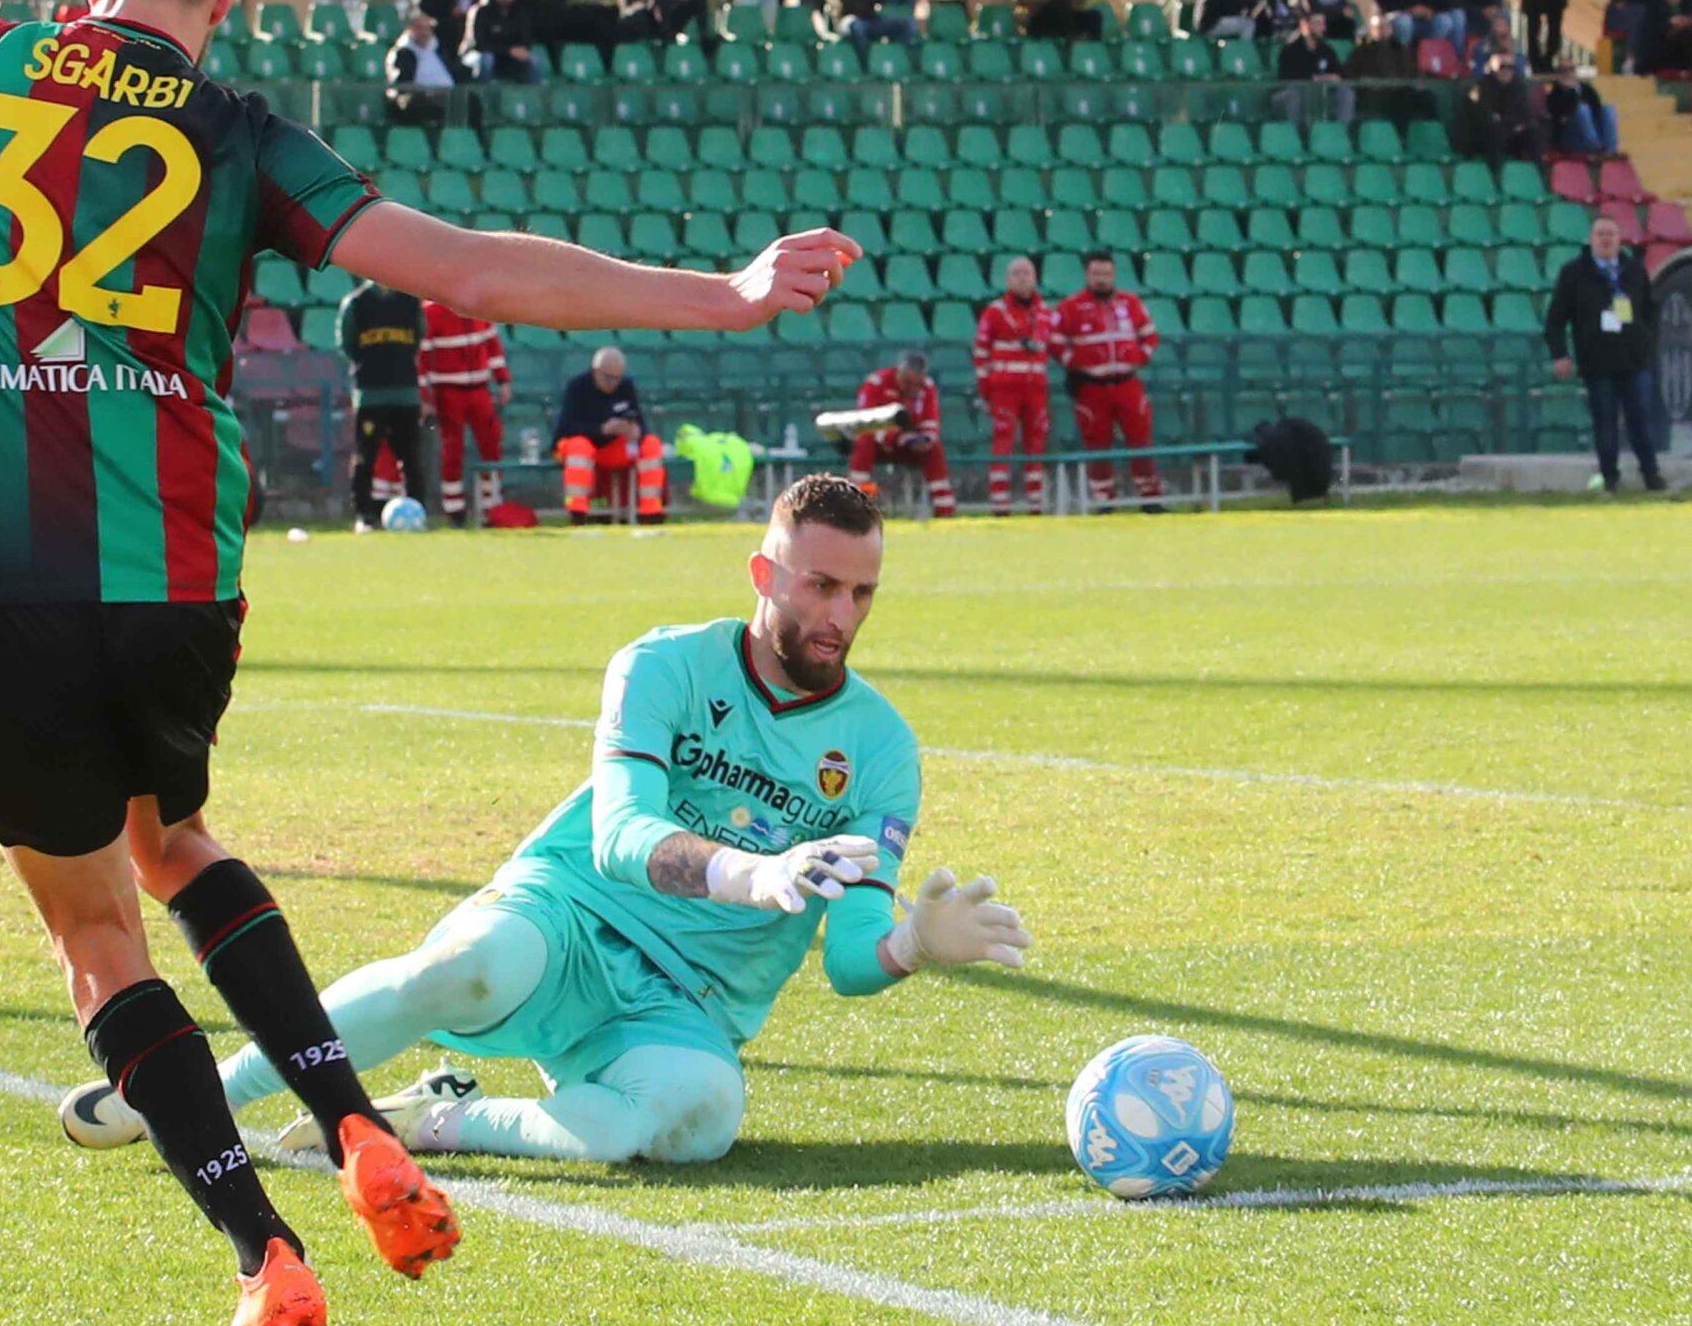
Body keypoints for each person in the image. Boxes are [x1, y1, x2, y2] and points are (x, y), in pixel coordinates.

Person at [0, 0, 859, 1326]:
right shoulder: (237, 130)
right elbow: (469, 270)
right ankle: (353, 1119)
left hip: (2, 571)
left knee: (96, 927)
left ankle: (264, 1250)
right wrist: (727, 291)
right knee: (175, 841)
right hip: (180, 567)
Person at [66, 476, 1028, 1166]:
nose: (840, 615)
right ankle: (200, 1098)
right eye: (820, 585)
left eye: (861, 593)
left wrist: (910, 942)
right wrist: (754, 873)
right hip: (570, 913)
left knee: (697, 1122)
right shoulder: (662, 665)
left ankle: (434, 1120)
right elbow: (621, 836)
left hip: (689, 1002)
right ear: (763, 572)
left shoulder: (881, 746)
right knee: (460, 970)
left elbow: (850, 959)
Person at [1545, 215, 1665, 492]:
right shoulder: (1574, 273)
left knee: (1640, 418)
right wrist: (1560, 354)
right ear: (1591, 239)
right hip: (1597, 362)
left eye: (1611, 233)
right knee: (1605, 421)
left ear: (1619, 239)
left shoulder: (1633, 270)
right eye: (1600, 234)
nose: (1606, 239)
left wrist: (1645, 341)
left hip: (1634, 360)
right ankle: (1610, 478)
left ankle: (1651, 475)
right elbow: (1555, 319)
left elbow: (1649, 310)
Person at [1053, 253, 1165, 512]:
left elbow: (1150, 336)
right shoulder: (1070, 307)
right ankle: (1104, 500)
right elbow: (1055, 342)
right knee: (1097, 443)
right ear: (1087, 275)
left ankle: (1150, 498)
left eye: (1106, 274)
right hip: (1092, 387)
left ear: (1113, 275)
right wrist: (1074, 363)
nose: (1101, 279)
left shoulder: (1131, 303)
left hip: (1127, 384)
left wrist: (1139, 358)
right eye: (1096, 274)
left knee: (1140, 438)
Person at [418, 298, 513, 525]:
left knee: (492, 444)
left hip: (480, 389)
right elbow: (422, 359)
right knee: (453, 450)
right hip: (447, 390)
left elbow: (492, 345)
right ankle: (454, 508)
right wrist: (425, 397)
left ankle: (492, 505)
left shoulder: (478, 304)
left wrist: (502, 380)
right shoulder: (431, 312)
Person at [342, 279, 426, 530]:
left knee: (411, 457)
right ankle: (364, 516)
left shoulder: (410, 302)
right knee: (365, 457)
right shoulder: (356, 303)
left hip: (405, 393)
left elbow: (418, 339)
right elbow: (347, 345)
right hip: (370, 394)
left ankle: (417, 512)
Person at [975, 256, 1055, 516]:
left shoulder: (1045, 313)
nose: (1022, 278)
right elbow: (981, 353)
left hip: (1036, 388)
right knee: (1003, 441)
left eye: (1027, 273)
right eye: (1017, 273)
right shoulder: (995, 312)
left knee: (1036, 443)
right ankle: (1000, 505)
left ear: (1035, 278)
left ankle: (1036, 504)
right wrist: (987, 389)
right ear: (1008, 280)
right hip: (1005, 389)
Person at [555, 346, 665, 524]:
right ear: (596, 371)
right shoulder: (577, 387)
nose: (613, 383)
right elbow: (566, 428)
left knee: (651, 443)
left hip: (612, 448)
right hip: (584, 446)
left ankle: (651, 511)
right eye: (608, 378)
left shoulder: (626, 386)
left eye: (617, 378)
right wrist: (602, 429)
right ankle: (577, 511)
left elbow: (639, 420)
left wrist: (636, 431)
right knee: (579, 446)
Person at [844, 351, 954, 517]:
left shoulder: (927, 387)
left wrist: (926, 440)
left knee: (935, 449)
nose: (912, 389)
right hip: (880, 444)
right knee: (865, 441)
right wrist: (898, 437)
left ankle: (945, 511)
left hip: (911, 446)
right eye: (908, 383)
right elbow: (867, 423)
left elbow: (931, 422)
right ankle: (858, 506)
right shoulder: (877, 383)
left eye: (917, 384)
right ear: (899, 373)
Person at [1462, 51, 1541, 165]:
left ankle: (1537, 171)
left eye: (1511, 67)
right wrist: (1507, 122)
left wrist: (1515, 124)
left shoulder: (1518, 87)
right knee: (1494, 129)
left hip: (1511, 133)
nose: (1507, 71)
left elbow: (1525, 113)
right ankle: (1496, 172)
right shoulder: (1481, 86)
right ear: (1493, 67)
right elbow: (1482, 113)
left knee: (1533, 131)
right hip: (1486, 137)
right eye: (1502, 66)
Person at [1275, 10, 1351, 123]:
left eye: (1323, 24)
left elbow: (1338, 72)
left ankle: (1342, 130)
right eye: (1318, 23)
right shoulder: (1289, 51)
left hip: (1322, 94)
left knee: (1346, 92)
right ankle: (1295, 132)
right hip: (1298, 93)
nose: (1323, 28)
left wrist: (1334, 77)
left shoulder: (1327, 50)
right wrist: (1314, 78)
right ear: (1305, 26)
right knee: (1293, 96)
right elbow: (1286, 77)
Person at [386, 11, 461, 126]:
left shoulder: (440, 49)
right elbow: (401, 84)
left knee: (471, 100)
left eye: (428, 28)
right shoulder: (403, 53)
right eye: (419, 28)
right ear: (411, 29)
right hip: (421, 97)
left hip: (449, 94)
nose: (424, 32)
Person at [464, 0, 542, 82]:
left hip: (513, 57)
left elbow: (526, 40)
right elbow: (481, 43)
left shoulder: (521, 14)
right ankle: (484, 91)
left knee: (535, 60)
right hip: (487, 55)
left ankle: (533, 91)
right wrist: (508, 50)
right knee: (487, 60)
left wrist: (519, 51)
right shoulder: (483, 13)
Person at [1547, 67, 1619, 156]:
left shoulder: (1586, 89)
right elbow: (1559, 119)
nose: (1568, 73)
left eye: (1571, 69)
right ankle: (1595, 149)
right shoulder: (1554, 94)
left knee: (1608, 109)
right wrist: (1570, 91)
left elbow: (1597, 110)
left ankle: (1610, 150)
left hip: (1590, 135)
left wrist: (1577, 90)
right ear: (1557, 75)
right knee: (1581, 109)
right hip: (1569, 138)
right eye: (1563, 70)